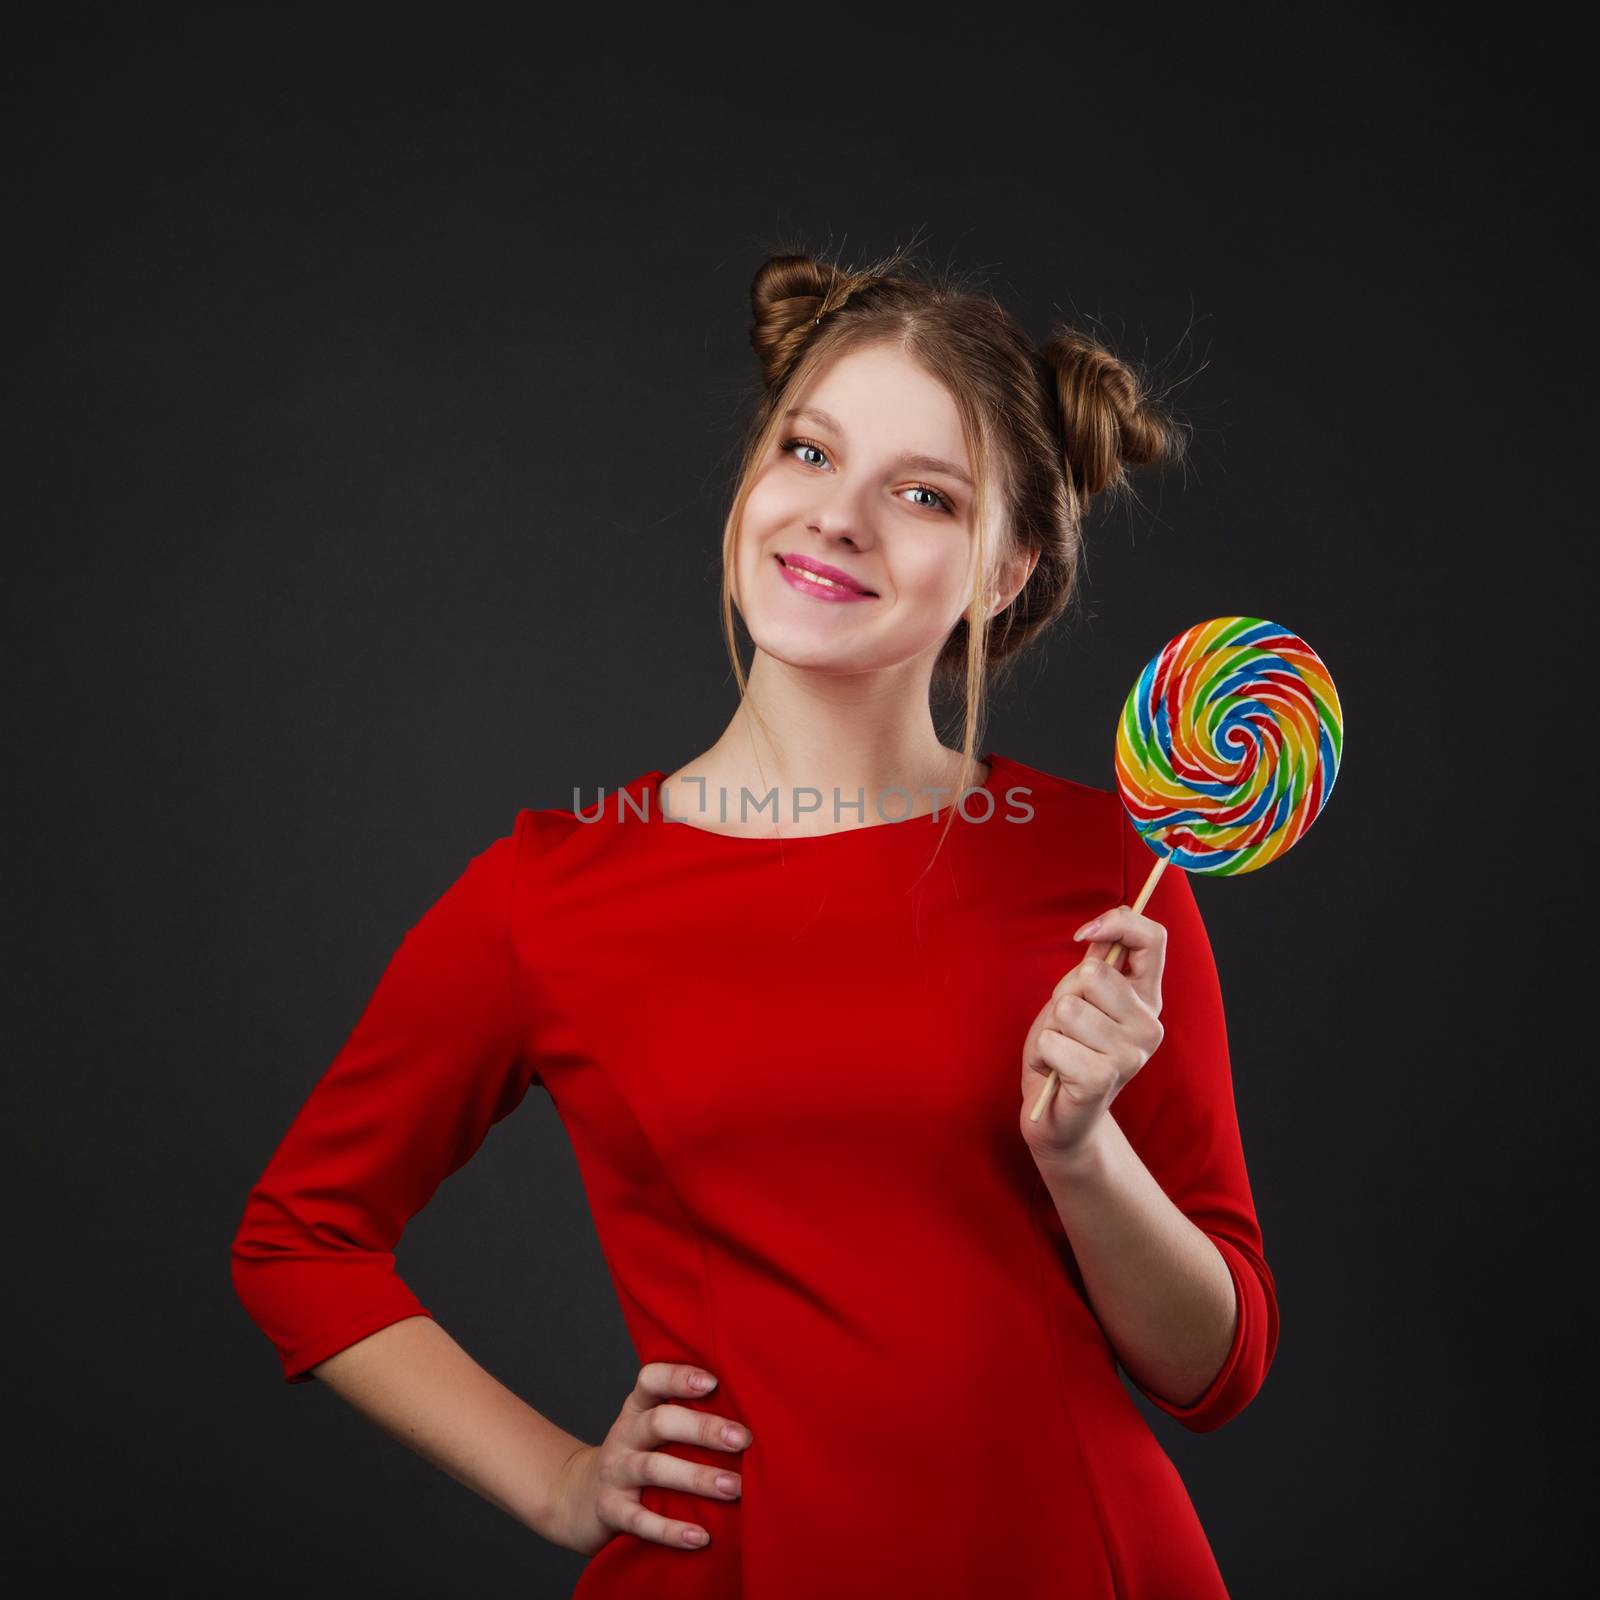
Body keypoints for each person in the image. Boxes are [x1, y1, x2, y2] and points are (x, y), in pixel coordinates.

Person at [230, 245, 1279, 1599]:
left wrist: (1082, 1154)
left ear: (1006, 569)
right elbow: (301, 1240)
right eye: (807, 451)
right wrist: (559, 1482)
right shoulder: (552, 892)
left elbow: (1217, 1372)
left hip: (1080, 1558)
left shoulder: (1111, 869)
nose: (838, 518)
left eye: (923, 493)